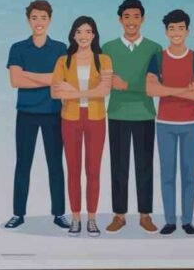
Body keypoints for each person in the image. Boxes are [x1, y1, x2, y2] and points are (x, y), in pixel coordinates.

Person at [3, 0, 69, 231]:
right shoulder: (18, 48)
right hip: (26, 114)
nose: (38, 22)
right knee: (23, 164)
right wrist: (48, 77)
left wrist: (29, 75)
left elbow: (61, 80)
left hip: (53, 113)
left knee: (55, 164)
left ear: (50, 20)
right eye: (34, 18)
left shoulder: (61, 48)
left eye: (43, 18)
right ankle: (18, 213)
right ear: (28, 20)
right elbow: (15, 80)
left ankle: (59, 213)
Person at [146, 9, 194, 237]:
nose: (176, 33)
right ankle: (170, 221)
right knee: (167, 175)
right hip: (164, 124)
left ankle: (188, 221)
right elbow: (150, 89)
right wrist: (185, 89)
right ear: (166, 31)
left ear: (188, 31)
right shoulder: (158, 57)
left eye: (180, 28)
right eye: (172, 28)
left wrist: (169, 91)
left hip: (191, 123)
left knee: (188, 174)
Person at [101, 0, 162, 235]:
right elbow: (105, 81)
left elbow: (157, 83)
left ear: (143, 19)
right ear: (120, 20)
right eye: (127, 17)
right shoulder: (108, 48)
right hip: (116, 113)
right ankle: (119, 215)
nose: (131, 21)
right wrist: (115, 84)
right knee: (119, 166)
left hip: (145, 113)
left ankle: (145, 214)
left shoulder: (154, 48)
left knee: (144, 166)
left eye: (136, 16)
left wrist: (126, 85)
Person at [51, 16, 112, 237]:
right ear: (73, 35)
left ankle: (92, 219)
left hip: (96, 118)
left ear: (94, 35)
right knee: (73, 170)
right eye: (79, 31)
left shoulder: (104, 60)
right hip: (70, 118)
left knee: (93, 170)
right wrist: (84, 92)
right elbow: (56, 92)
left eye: (88, 31)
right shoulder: (63, 61)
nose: (83, 36)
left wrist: (74, 92)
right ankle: (76, 217)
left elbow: (104, 91)